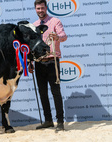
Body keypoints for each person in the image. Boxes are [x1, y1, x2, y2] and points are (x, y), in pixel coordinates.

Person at [29, 0, 67, 131]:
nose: (40, 10)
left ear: (46, 8)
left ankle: (60, 122)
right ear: (35, 9)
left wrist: (56, 36)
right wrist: (30, 63)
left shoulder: (55, 21)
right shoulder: (34, 26)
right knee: (42, 93)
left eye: (42, 8)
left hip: (52, 61)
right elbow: (31, 47)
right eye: (38, 8)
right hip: (39, 63)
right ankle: (48, 120)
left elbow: (64, 36)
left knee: (56, 92)